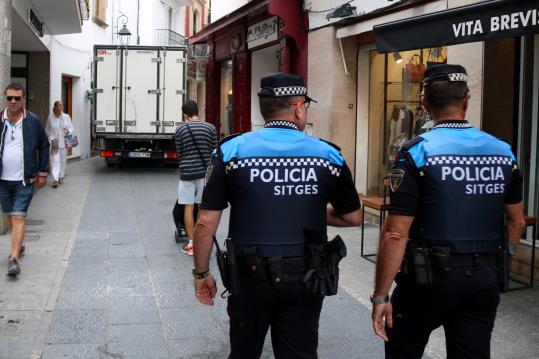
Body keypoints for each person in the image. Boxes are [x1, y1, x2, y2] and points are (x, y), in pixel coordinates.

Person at [192, 73, 362, 358]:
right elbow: (353, 217)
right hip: (306, 278)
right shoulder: (328, 155)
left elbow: (205, 221)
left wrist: (201, 272)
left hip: (248, 277)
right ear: (298, 107)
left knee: (244, 351)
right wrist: (302, 203)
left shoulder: (230, 151)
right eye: (306, 106)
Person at [371, 64, 526, 358]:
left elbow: (395, 232)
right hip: (482, 278)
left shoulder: (416, 151)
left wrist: (380, 296)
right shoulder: (503, 152)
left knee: (403, 350)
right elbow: (517, 221)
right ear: (466, 99)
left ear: (424, 103)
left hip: (425, 280)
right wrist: (504, 259)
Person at [0, 83, 49, 276]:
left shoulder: (32, 121)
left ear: (23, 99)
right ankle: (18, 245)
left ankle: (14, 258)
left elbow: (44, 146)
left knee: (19, 215)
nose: (13, 101)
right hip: (2, 180)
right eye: (9, 97)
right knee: (10, 215)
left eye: (17, 98)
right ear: (5, 98)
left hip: (25, 179)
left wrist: (43, 172)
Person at [175, 100, 216, 256]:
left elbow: (180, 153)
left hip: (187, 173)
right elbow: (214, 151)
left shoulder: (180, 130)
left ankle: (191, 244)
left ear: (185, 114)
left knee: (188, 207)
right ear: (198, 111)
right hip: (205, 174)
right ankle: (202, 241)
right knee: (202, 207)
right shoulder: (210, 127)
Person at [46, 101, 74, 188]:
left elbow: (71, 128)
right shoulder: (50, 117)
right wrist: (49, 138)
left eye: (62, 105)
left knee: (62, 160)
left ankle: (61, 177)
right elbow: (47, 130)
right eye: (60, 105)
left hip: (63, 142)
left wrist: (68, 130)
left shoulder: (66, 117)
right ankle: (55, 179)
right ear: (55, 107)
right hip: (54, 142)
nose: (62, 106)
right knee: (54, 160)